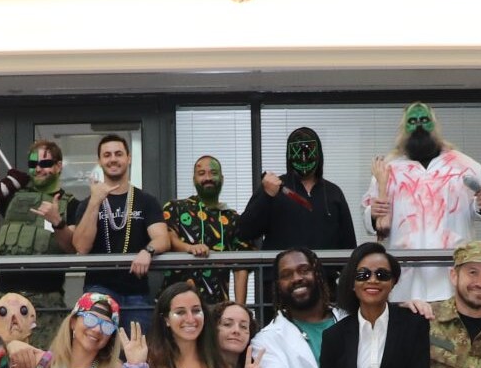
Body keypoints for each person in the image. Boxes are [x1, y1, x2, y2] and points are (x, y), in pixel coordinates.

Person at [368, 104, 481, 305]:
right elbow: (373, 220)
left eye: (424, 120)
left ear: (435, 126)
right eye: (413, 122)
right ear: (403, 128)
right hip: (406, 280)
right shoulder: (390, 170)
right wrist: (373, 213)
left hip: (452, 278)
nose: (419, 126)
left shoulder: (463, 165)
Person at [0, 117, 82, 315]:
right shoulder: (12, 195)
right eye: (33, 163)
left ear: (58, 166)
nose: (38, 168)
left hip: (46, 303)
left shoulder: (72, 205)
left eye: (45, 163)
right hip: (5, 297)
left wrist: (57, 221)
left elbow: (73, 248)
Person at [71, 133, 169, 322]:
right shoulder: (87, 203)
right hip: (98, 288)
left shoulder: (146, 201)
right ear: (99, 161)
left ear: (128, 158)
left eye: (118, 154)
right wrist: (95, 202)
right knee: (96, 346)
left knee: (136, 347)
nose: (113, 159)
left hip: (136, 292)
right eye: (107, 155)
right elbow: (81, 247)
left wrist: (147, 251)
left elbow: (162, 238)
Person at [238, 127, 358, 255]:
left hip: (325, 273)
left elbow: (349, 245)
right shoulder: (274, 188)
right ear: (290, 155)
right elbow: (244, 232)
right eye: (298, 153)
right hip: (282, 272)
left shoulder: (333, 193)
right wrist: (266, 196)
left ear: (318, 154)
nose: (304, 158)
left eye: (308, 152)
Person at [163, 155, 247, 303]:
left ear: (222, 178)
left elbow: (241, 266)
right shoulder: (176, 207)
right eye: (201, 173)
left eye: (213, 173)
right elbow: (168, 238)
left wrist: (239, 308)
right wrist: (189, 248)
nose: (208, 178)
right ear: (194, 179)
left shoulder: (233, 218)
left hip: (217, 305)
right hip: (176, 301)